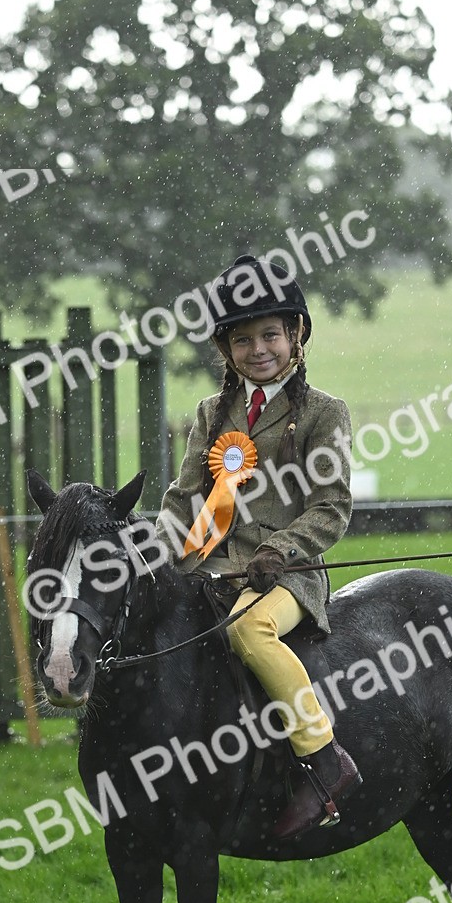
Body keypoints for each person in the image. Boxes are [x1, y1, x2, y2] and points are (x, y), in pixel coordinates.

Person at [156, 254, 361, 839]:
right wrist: (158, 554)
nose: (258, 349)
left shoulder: (324, 413)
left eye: (270, 334)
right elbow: (184, 497)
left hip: (286, 577)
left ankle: (323, 758)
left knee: (249, 632)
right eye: (242, 339)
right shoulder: (210, 413)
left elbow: (331, 507)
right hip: (210, 569)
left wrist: (281, 550)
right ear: (226, 349)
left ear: (296, 334)